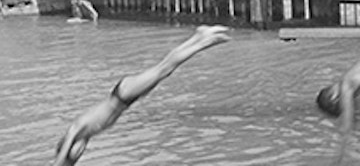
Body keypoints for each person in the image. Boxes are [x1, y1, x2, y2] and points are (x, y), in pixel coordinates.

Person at [51, 25, 230, 166]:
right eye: (77, 157)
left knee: (164, 68)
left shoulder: (77, 129)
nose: (80, 152)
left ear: (67, 146)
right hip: (126, 99)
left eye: (74, 153)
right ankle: (198, 38)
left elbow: (59, 160)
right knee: (165, 69)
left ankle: (203, 40)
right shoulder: (87, 134)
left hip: (123, 94)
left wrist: (62, 160)